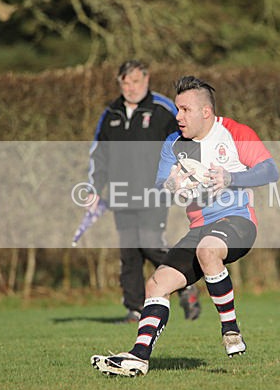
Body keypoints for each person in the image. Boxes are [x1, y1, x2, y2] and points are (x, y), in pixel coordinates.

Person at [91, 75, 279, 376]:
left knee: (207, 251)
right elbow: (160, 186)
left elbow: (271, 171)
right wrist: (170, 184)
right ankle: (139, 357)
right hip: (200, 230)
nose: (177, 117)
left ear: (206, 112)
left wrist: (233, 178)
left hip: (238, 222)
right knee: (156, 284)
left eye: (184, 110)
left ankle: (230, 329)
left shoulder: (234, 132)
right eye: (177, 109)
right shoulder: (174, 144)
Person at [86, 60, 201, 323]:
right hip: (120, 193)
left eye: (136, 81)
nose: (130, 87)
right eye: (125, 82)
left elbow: (185, 144)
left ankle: (186, 284)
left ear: (146, 81)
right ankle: (135, 309)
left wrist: (183, 176)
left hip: (154, 192)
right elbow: (99, 155)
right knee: (129, 253)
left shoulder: (162, 109)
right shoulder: (111, 113)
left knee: (150, 244)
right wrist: (94, 189)